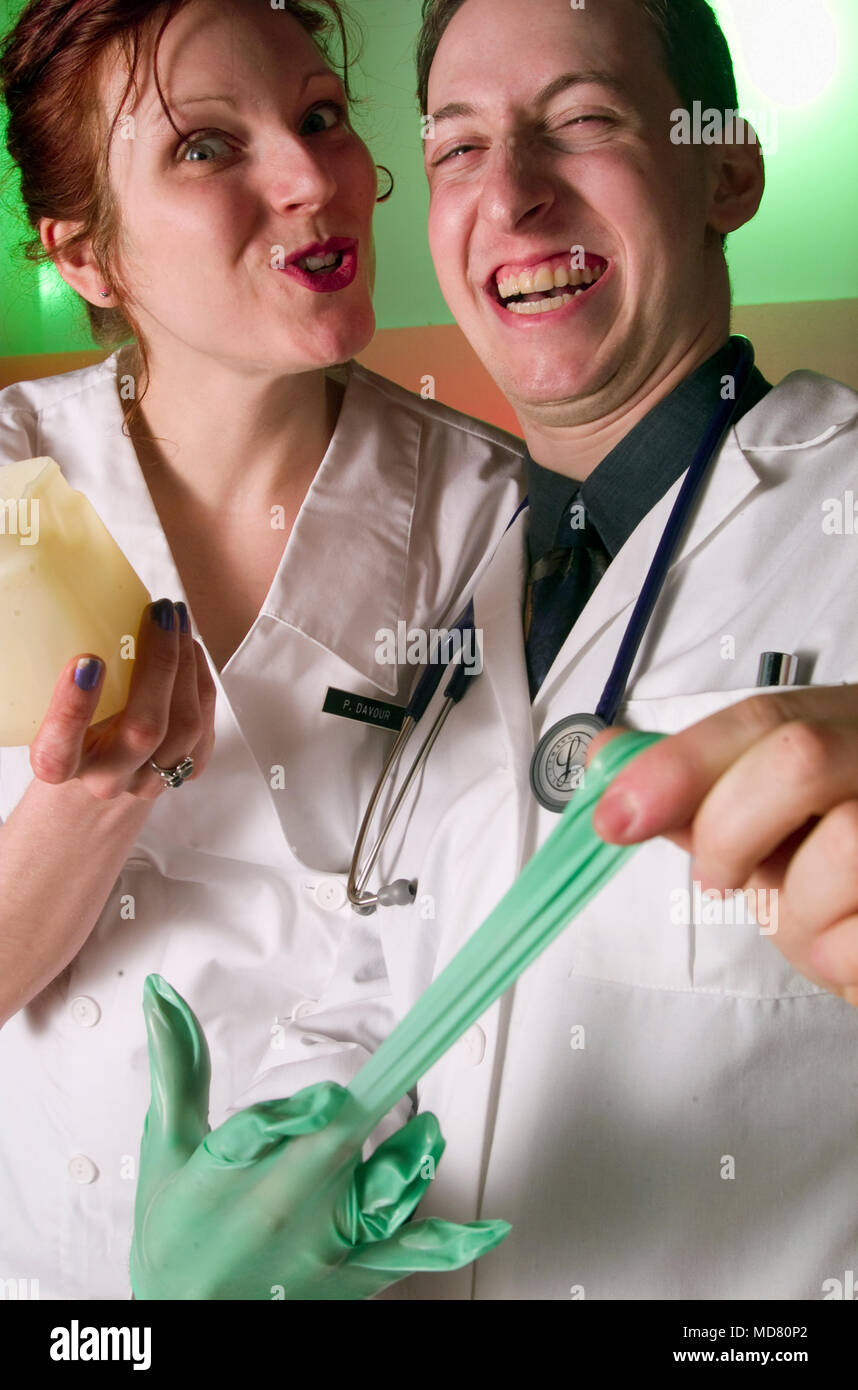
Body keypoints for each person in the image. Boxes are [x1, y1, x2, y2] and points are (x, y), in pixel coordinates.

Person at [0, 0, 526, 1299]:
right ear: (87, 255)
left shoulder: (491, 517)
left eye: (319, 117)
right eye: (204, 146)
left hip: (354, 1263)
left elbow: (479, 968)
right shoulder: (14, 486)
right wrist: (82, 808)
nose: (310, 180)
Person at [360, 0, 858, 1299]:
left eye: (579, 121)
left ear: (726, 169)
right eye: (458, 148)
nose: (510, 197)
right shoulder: (417, 573)